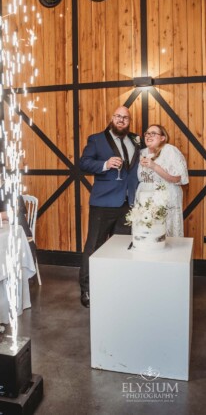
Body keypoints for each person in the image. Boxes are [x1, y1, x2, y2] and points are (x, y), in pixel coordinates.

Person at [79, 105, 141, 308]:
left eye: (126, 118)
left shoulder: (135, 140)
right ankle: (87, 289)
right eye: (118, 116)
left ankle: (117, 286)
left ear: (129, 121)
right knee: (94, 246)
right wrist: (105, 164)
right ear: (112, 118)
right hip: (103, 202)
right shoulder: (96, 139)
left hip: (128, 203)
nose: (121, 120)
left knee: (123, 248)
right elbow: (84, 163)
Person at [137, 124, 189, 237]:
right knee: (147, 236)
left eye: (153, 133)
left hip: (166, 200)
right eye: (147, 133)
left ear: (162, 138)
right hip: (145, 201)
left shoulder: (170, 150)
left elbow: (179, 178)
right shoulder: (142, 153)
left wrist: (155, 167)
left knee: (166, 235)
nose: (149, 136)